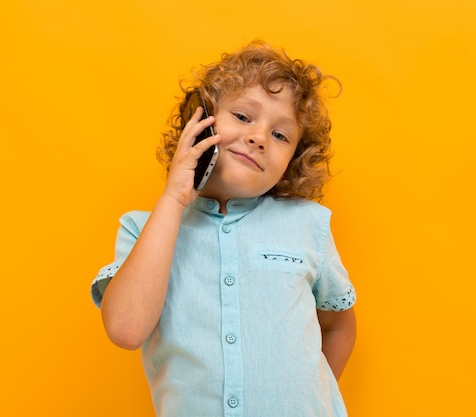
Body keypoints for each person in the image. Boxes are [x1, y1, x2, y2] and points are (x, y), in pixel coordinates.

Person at [91, 40, 357, 417]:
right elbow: (125, 330)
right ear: (200, 124)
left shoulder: (307, 223)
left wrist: (314, 397)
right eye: (244, 117)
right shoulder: (144, 229)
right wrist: (173, 199)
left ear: (293, 160)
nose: (259, 137)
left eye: (281, 135)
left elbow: (338, 324)